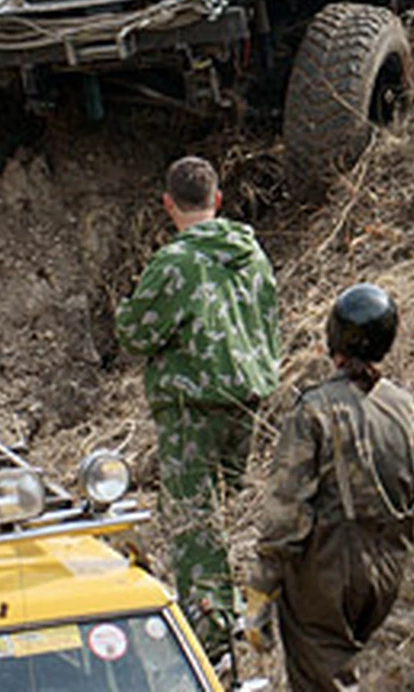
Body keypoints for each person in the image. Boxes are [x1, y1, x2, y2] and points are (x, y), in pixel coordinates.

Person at [114, 155, 280, 662]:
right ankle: (240, 612)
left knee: (194, 519)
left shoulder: (175, 263)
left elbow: (136, 333)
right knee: (226, 510)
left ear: (168, 204)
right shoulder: (252, 253)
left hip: (192, 407)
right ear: (218, 201)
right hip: (247, 399)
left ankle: (211, 641)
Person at [244, 282, 414, 691]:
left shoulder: (314, 410)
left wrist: (261, 587)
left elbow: (286, 513)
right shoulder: (412, 409)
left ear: (334, 339)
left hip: (328, 574)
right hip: (387, 570)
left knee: (321, 681)